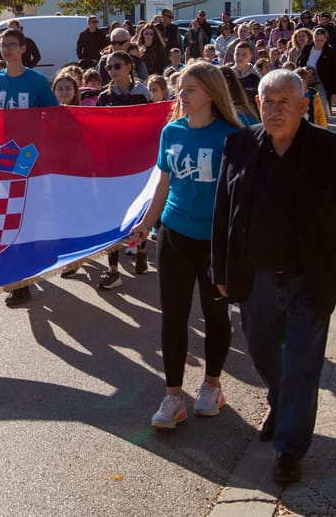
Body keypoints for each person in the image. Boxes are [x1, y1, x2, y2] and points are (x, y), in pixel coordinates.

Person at [211, 69, 336, 484]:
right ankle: (283, 402)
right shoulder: (241, 145)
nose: (274, 109)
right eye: (267, 101)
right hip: (256, 276)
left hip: (310, 278)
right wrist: (221, 269)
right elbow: (223, 212)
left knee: (302, 362)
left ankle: (289, 449)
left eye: (284, 102)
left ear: (305, 106)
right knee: (263, 350)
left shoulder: (331, 151)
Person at [128, 62, 243, 429]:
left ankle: (212, 386)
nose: (182, 95)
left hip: (215, 242)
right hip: (174, 235)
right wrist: (146, 226)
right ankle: (173, 396)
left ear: (210, 93)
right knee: (173, 317)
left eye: (190, 89)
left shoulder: (233, 136)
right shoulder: (171, 132)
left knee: (215, 317)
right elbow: (163, 185)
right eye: (181, 88)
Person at [0, 29, 59, 306]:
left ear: (24, 48)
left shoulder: (37, 81)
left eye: (12, 45)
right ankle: (17, 275)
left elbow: (54, 115)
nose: (7, 50)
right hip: (3, 160)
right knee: (6, 216)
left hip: (30, 160)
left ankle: (24, 279)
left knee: (28, 219)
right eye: (4, 45)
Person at [95, 50, 152, 290]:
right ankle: (113, 269)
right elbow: (96, 127)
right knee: (114, 215)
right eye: (109, 67)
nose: (112, 71)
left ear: (129, 67)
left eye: (117, 66)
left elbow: (152, 123)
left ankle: (140, 249)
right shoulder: (104, 97)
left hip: (138, 163)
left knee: (138, 211)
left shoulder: (143, 93)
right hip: (113, 164)